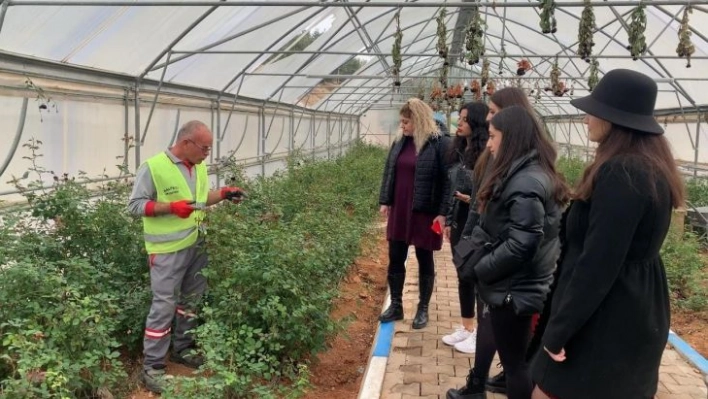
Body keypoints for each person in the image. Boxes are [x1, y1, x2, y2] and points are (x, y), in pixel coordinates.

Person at [530, 69, 685, 399]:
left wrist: (558, 332)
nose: (587, 118)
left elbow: (599, 263)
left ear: (614, 117)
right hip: (633, 309)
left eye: (593, 111)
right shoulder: (649, 166)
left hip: (604, 319)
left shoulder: (623, 172)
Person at [447, 105, 570, 399]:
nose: (488, 143)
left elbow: (521, 244)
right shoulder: (527, 172)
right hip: (518, 285)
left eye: (492, 136)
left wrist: (481, 269)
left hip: (516, 289)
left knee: (516, 366)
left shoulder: (526, 180)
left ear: (511, 138)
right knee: (516, 362)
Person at [127, 120, 244, 394]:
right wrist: (170, 208)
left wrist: (225, 194)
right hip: (167, 252)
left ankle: (183, 349)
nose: (207, 153)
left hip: (196, 244)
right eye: (204, 148)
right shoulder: (154, 167)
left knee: (191, 300)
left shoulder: (198, 166)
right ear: (186, 143)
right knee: (164, 304)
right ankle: (153, 367)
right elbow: (134, 206)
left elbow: (201, 199)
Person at [378, 98, 452, 329]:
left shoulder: (438, 144)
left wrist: (443, 212)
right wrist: (385, 200)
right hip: (400, 208)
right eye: (401, 121)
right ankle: (396, 305)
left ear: (418, 120)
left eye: (406, 122)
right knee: (396, 255)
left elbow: (448, 181)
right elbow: (389, 171)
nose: (403, 126)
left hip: (425, 210)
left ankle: (422, 309)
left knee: (424, 257)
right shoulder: (400, 143)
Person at [441, 102, 489, 354]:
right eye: (459, 118)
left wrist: (473, 201)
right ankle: (466, 327)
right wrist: (448, 220)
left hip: (479, 221)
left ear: (477, 124)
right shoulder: (458, 151)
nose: (458, 123)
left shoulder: (486, 154)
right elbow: (451, 191)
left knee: (476, 274)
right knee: (462, 273)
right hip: (460, 217)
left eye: (464, 119)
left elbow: (487, 193)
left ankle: (481, 332)